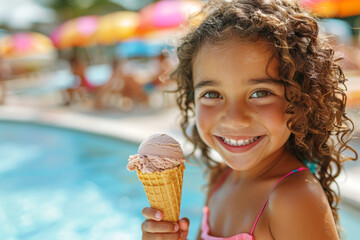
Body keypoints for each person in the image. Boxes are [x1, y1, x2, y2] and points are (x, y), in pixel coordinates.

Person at [140, 0, 358, 239]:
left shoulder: (293, 197)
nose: (234, 119)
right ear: (192, 99)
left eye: (260, 93)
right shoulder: (220, 179)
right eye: (212, 94)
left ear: (300, 102)